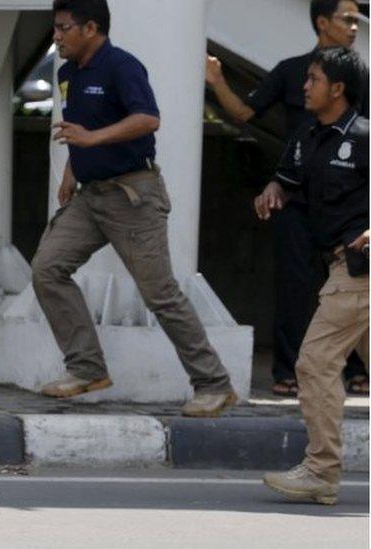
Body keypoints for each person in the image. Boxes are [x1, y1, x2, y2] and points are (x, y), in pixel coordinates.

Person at [31, 0, 237, 417]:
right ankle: (86, 368)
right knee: (47, 269)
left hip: (133, 196)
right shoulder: (68, 72)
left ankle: (214, 384)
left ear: (90, 28)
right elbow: (79, 125)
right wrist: (73, 168)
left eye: (62, 27)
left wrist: (90, 140)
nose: (56, 36)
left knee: (161, 294)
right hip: (90, 197)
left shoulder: (123, 66)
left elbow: (147, 119)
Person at [205, 0, 368, 396]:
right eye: (347, 19)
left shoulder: (361, 91)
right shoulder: (293, 75)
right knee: (298, 287)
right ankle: (291, 371)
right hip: (299, 198)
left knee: (349, 292)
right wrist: (217, 81)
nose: (354, 27)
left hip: (349, 208)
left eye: (356, 20)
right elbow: (245, 113)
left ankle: (351, 370)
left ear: (341, 89)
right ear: (321, 22)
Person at [260, 47, 368, 505]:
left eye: (315, 79)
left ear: (338, 89)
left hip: (359, 268)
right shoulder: (308, 135)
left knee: (315, 362)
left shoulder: (364, 137)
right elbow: (291, 177)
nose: (305, 86)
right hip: (338, 266)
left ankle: (322, 471)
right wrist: (273, 188)